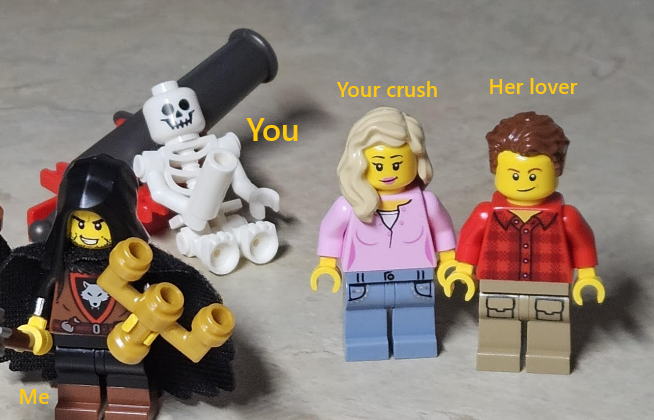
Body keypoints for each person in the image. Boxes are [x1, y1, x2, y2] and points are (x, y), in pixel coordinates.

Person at [0, 155, 235, 419]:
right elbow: (43, 294)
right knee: (76, 378)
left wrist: (144, 324)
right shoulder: (59, 264)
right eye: (79, 223)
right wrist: (35, 325)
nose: (88, 232)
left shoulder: (135, 262)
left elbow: (152, 297)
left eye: (98, 224)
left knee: (128, 376)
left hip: (123, 340)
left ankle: (130, 404)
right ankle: (79, 403)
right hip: (70, 337)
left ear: (118, 220)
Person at [443, 111, 604, 374]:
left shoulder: (566, 217)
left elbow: (582, 244)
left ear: (556, 171)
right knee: (498, 327)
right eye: (514, 175)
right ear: (496, 170)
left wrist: (587, 276)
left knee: (549, 328)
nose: (524, 183)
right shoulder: (486, 213)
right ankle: (498, 354)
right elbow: (470, 241)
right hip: (498, 283)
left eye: (534, 175)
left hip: (550, 284)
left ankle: (549, 357)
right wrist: (463, 270)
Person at [310, 107, 456, 361]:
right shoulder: (350, 205)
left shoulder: (426, 203)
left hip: (415, 273)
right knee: (364, 314)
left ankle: (415, 341)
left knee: (415, 313)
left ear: (416, 160)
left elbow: (442, 230)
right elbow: (331, 233)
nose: (388, 172)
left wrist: (449, 260)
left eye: (397, 164)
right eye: (378, 165)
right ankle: (365, 342)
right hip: (363, 275)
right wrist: (327, 263)